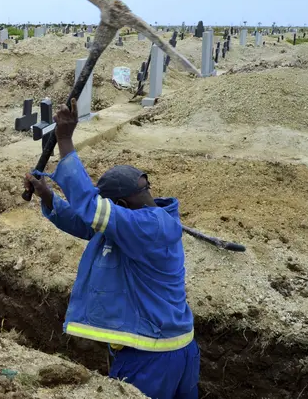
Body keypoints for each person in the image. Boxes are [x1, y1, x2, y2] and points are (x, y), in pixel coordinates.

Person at [24, 98, 200, 399]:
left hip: (150, 353)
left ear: (119, 205)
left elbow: (91, 209)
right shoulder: (136, 223)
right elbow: (86, 222)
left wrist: (65, 140)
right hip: (176, 349)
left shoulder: (147, 226)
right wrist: (49, 197)